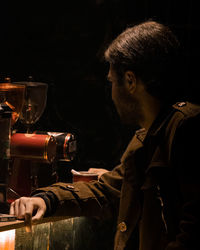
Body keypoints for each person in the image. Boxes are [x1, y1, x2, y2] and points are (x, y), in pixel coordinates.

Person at [10, 20, 200, 250]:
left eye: (111, 82)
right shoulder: (148, 137)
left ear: (130, 81)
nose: (110, 94)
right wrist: (46, 199)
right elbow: (107, 190)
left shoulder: (186, 129)